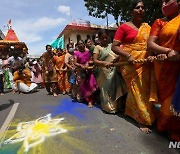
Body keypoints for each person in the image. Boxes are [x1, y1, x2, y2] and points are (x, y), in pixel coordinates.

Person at [111, 0, 158, 133]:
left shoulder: (148, 27)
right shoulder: (124, 27)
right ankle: (141, 119)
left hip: (146, 63)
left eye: (143, 7)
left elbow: (151, 45)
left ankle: (137, 112)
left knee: (146, 90)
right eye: (137, 7)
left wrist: (153, 54)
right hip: (130, 64)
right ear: (131, 10)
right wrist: (128, 56)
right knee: (137, 91)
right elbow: (114, 47)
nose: (141, 10)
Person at [147, 0, 180, 141]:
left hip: (178, 66)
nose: (164, 4)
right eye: (163, 1)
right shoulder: (159, 22)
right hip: (164, 66)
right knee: (167, 101)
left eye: (167, 0)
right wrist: (167, 51)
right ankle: (169, 127)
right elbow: (150, 44)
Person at [93, 29, 127, 113]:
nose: (104, 39)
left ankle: (119, 105)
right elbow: (95, 61)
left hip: (114, 70)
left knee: (116, 87)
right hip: (103, 72)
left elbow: (119, 54)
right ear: (99, 39)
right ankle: (108, 108)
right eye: (102, 38)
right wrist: (105, 63)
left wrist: (117, 59)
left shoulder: (112, 46)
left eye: (106, 37)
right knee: (106, 89)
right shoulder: (97, 47)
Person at [74, 40, 97, 108]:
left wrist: (88, 64)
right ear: (77, 46)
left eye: (82, 44)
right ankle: (87, 99)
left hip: (89, 70)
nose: (81, 45)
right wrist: (81, 65)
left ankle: (90, 101)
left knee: (90, 85)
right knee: (84, 86)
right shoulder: (76, 53)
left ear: (84, 44)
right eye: (79, 44)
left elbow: (92, 59)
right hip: (81, 72)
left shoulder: (88, 52)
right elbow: (75, 62)